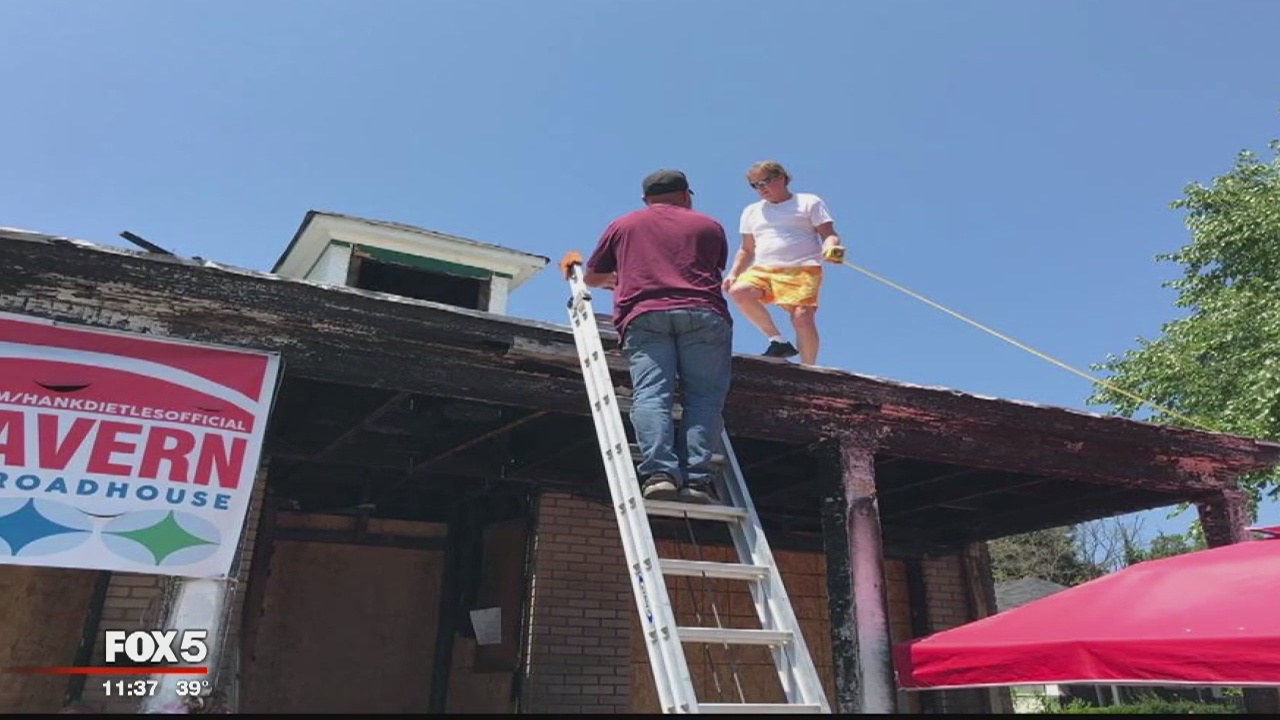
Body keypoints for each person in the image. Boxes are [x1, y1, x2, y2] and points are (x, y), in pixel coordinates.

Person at [572, 169, 733, 504]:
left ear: (646, 199)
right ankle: (697, 481)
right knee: (703, 399)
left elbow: (593, 277)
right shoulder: (709, 226)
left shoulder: (624, 225)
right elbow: (711, 268)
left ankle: (660, 475)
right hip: (703, 314)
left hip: (645, 315)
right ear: (687, 195)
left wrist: (619, 279)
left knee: (652, 394)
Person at [724, 160, 844, 365]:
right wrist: (734, 273)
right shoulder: (751, 211)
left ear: (781, 178)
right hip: (763, 268)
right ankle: (778, 341)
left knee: (802, 317)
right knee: (739, 291)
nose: (761, 188)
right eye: (755, 185)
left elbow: (829, 234)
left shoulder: (809, 201)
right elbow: (747, 249)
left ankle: (808, 368)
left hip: (802, 268)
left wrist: (831, 247)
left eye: (765, 182)